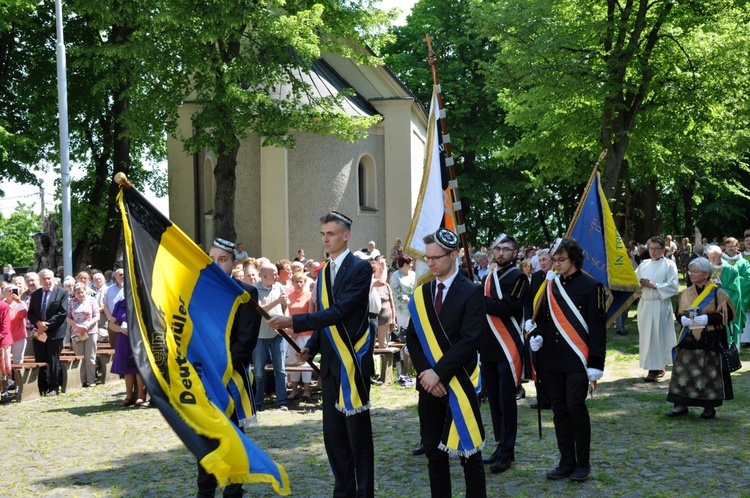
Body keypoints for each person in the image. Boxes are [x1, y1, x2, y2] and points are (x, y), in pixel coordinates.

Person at [267, 211, 375, 498]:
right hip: (329, 364)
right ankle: (343, 491)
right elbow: (323, 318)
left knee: (358, 438)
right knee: (334, 437)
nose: (325, 239)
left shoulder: (360, 268)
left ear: (346, 235)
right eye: (323, 234)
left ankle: (364, 493)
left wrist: (293, 321)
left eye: (331, 233)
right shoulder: (324, 272)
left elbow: (340, 312)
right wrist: (310, 347)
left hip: (352, 363)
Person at [405, 228, 487, 498]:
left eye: (436, 258)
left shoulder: (472, 291)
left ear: (454, 255)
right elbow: (413, 339)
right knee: (433, 452)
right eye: (427, 258)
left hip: (459, 384)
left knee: (469, 452)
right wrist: (427, 374)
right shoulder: (422, 292)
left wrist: (438, 373)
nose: (431, 263)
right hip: (429, 387)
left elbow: (470, 340)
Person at [526, 237, 606, 482]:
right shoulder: (550, 284)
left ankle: (583, 463)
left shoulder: (592, 286)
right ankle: (565, 461)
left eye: (561, 260)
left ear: (574, 259)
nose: (556, 264)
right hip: (551, 358)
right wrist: (535, 334)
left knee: (575, 407)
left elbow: (597, 327)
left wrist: (596, 363)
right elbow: (542, 319)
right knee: (559, 410)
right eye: (555, 260)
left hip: (577, 360)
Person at [196, 237, 262, 498]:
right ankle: (205, 491)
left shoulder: (246, 293)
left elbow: (246, 340)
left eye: (222, 259)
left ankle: (234, 491)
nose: (215, 264)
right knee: (205, 437)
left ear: (234, 264)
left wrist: (220, 371)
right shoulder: (199, 291)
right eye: (211, 259)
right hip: (203, 378)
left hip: (230, 378)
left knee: (233, 438)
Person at [481, 235, 529, 475]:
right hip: (488, 346)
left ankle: (507, 452)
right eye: (498, 249)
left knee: (507, 402)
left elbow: (510, 307)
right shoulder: (489, 277)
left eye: (506, 249)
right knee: (494, 401)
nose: (501, 253)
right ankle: (500, 446)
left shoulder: (518, 277)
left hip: (508, 346)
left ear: (515, 252)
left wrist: (481, 301)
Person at [666, 257, 734, 419]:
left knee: (708, 374)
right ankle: (680, 404)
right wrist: (681, 319)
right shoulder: (686, 293)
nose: (691, 275)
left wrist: (709, 319)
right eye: (690, 271)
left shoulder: (718, 293)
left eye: (695, 272)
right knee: (683, 372)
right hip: (688, 340)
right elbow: (679, 313)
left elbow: (729, 315)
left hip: (710, 341)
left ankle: (709, 408)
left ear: (706, 274)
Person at [636, 237, 679, 382]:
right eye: (651, 248)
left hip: (659, 304)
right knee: (646, 335)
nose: (653, 252)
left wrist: (654, 285)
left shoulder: (669, 265)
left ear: (663, 250)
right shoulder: (643, 264)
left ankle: (656, 368)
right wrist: (639, 285)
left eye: (656, 249)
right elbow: (634, 282)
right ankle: (653, 365)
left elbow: (673, 286)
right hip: (645, 304)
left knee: (657, 336)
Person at [253, 262, 289, 411]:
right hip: (260, 335)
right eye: (274, 273)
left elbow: (285, 306)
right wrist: (278, 301)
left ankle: (282, 401)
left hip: (278, 334)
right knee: (259, 371)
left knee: (280, 370)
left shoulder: (279, 287)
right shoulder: (254, 289)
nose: (276, 276)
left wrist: (286, 319)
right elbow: (259, 309)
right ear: (264, 276)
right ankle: (258, 402)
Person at [27, 268, 70, 396]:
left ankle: (53, 386)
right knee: (40, 359)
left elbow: (62, 312)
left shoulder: (61, 292)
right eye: (44, 279)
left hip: (55, 331)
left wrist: (48, 324)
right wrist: (38, 324)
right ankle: (42, 387)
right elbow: (31, 313)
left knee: (53, 360)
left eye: (49, 278)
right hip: (39, 332)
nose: (47, 281)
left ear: (53, 278)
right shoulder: (36, 294)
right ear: (40, 280)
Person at [525, 248, 553, 409]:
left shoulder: (557, 276)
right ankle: (542, 399)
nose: (542, 263)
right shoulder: (536, 277)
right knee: (539, 363)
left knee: (553, 363)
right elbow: (529, 300)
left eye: (545, 259)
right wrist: (529, 319)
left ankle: (555, 398)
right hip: (538, 325)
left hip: (554, 326)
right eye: (540, 260)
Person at [285, 271, 314, 400]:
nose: (299, 284)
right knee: (293, 361)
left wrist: (300, 330)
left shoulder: (309, 296)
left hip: (306, 333)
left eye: (301, 281)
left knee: (305, 361)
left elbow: (310, 316)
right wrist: (291, 331)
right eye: (296, 281)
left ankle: (307, 390)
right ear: (292, 283)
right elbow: (286, 316)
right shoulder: (288, 296)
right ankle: (294, 390)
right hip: (292, 334)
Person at [66, 282, 100, 387]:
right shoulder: (71, 302)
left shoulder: (92, 300)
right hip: (77, 332)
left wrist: (87, 325)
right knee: (79, 356)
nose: (80, 294)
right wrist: (77, 326)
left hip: (91, 331)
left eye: (82, 292)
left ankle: (91, 380)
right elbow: (67, 317)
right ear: (74, 293)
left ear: (85, 291)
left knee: (90, 356)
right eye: (77, 293)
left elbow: (97, 315)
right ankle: (81, 379)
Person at [720, 238, 750, 345]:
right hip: (720, 299)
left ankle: (735, 350)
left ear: (738, 247)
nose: (731, 248)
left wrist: (733, 284)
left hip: (736, 298)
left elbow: (748, 279)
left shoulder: (744, 263)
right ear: (725, 247)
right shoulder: (719, 261)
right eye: (728, 246)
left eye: (733, 246)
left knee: (734, 324)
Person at [372, 257, 396, 348]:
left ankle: (386, 361)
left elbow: (392, 304)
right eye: (376, 270)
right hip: (371, 318)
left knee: (384, 345)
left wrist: (393, 320)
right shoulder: (370, 283)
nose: (379, 272)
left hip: (385, 319)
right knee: (371, 345)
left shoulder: (386, 286)